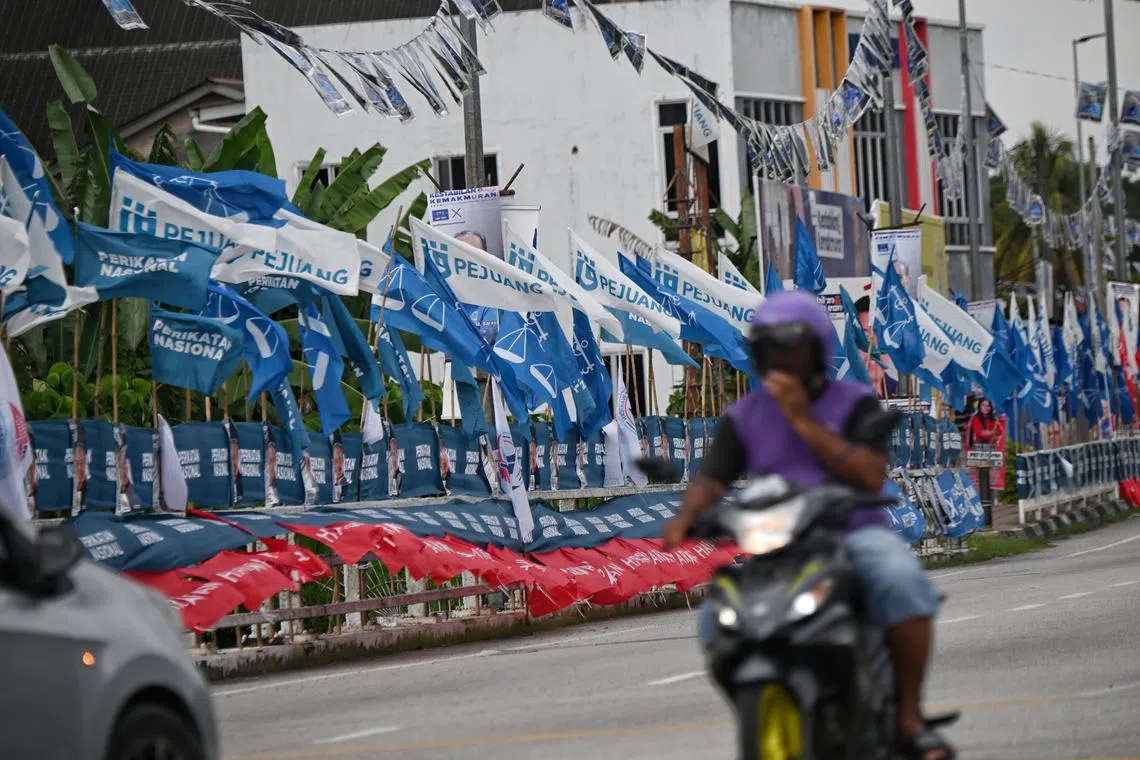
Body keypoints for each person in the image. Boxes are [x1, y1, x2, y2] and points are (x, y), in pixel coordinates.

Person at [662, 290, 950, 760]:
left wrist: (800, 419)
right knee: (718, 615)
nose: (781, 358)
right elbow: (712, 478)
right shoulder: (745, 414)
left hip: (855, 531)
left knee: (899, 581)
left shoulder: (855, 402)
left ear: (816, 349)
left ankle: (908, 719)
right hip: (778, 543)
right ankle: (764, 707)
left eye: (791, 346)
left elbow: (869, 474)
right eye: (770, 347)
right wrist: (686, 518)